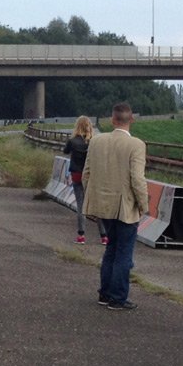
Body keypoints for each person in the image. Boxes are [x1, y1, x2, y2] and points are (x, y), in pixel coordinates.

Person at [81, 103, 148, 311]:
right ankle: (118, 297)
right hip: (125, 207)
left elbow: (86, 175)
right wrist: (143, 204)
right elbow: (137, 179)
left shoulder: (97, 141)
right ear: (132, 120)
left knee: (111, 248)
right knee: (124, 254)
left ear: (113, 120)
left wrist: (93, 197)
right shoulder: (136, 145)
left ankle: (105, 292)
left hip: (103, 205)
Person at [63, 115, 97, 245]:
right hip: (90, 175)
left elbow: (65, 151)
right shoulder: (92, 141)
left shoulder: (72, 141)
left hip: (77, 174)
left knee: (81, 205)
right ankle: (104, 236)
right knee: (95, 205)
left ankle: (81, 235)